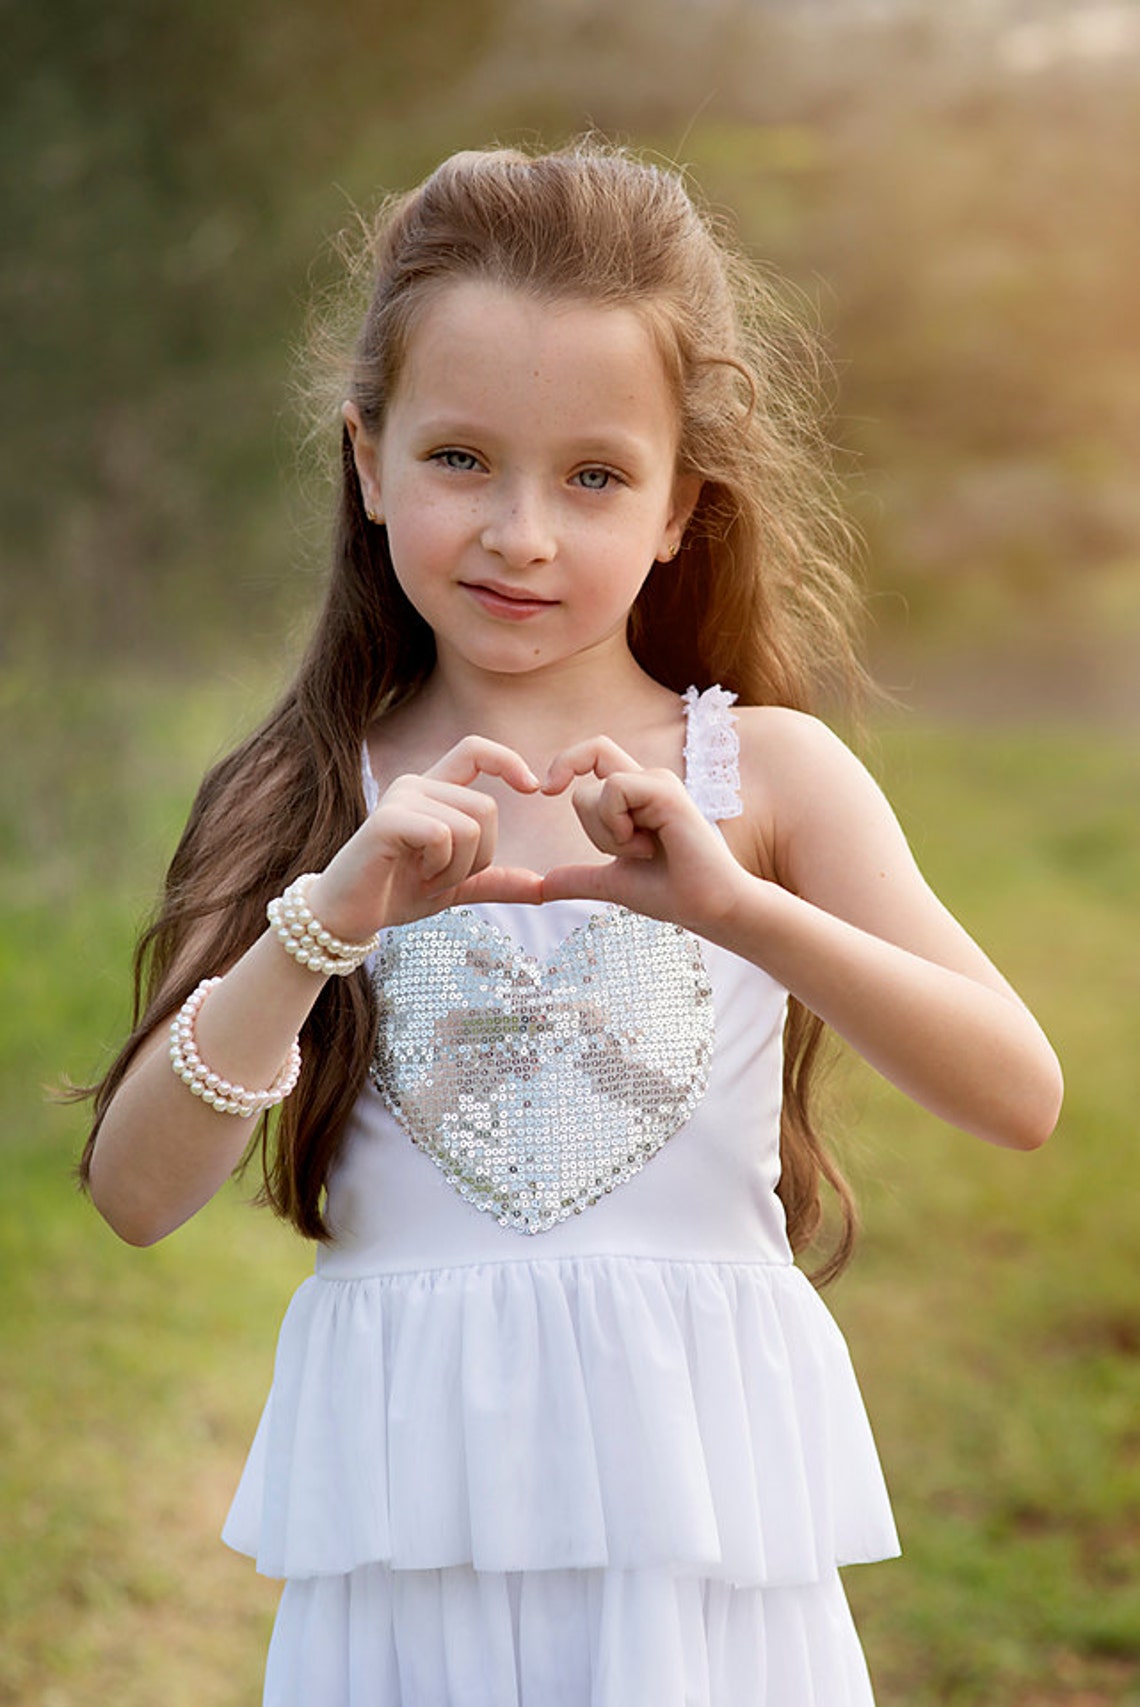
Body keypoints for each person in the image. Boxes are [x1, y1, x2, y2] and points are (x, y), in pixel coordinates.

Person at [80, 142, 1062, 1706]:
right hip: (413, 1541)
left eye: (595, 476)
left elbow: (1017, 1092)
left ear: (682, 508)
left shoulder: (766, 774)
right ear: (366, 460)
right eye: (460, 458)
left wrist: (739, 911)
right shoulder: (309, 786)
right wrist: (326, 920)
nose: (521, 534)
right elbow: (134, 1193)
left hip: (695, 1534)